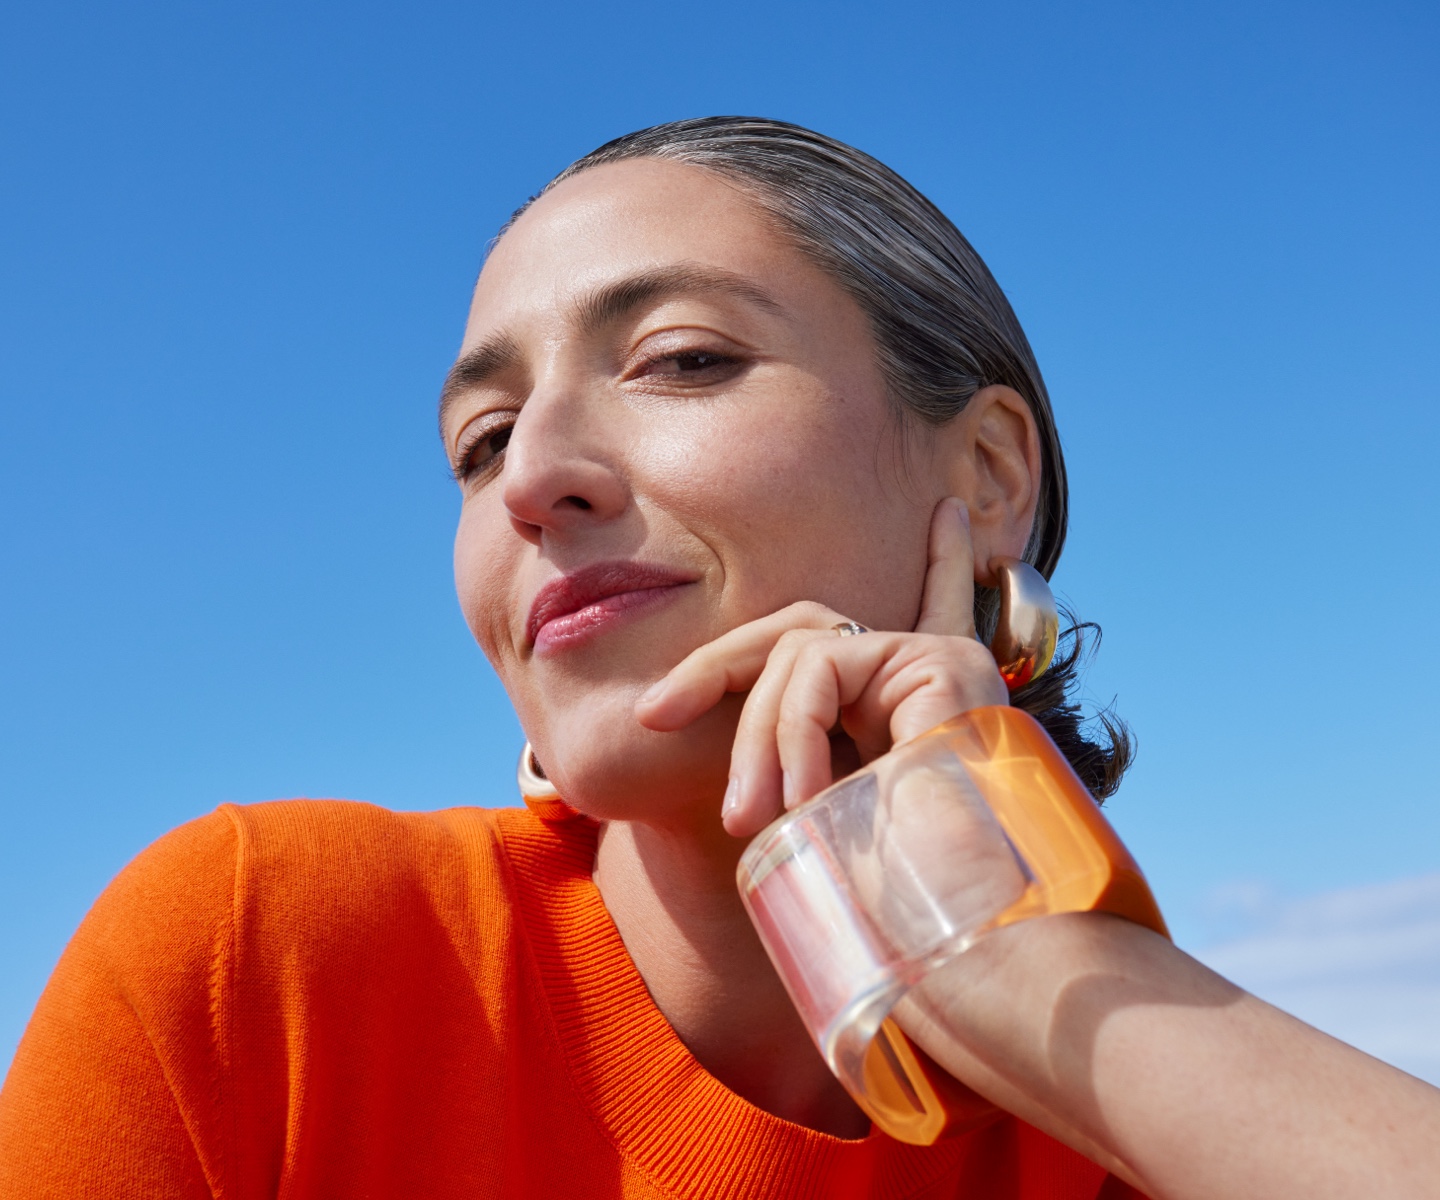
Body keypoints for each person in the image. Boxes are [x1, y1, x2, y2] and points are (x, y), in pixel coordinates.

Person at [1, 117, 1436, 1200]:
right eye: (480, 444)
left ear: (989, 473)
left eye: (682, 360)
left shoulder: (1144, 1119)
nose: (532, 479)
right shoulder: (274, 965)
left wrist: (1020, 977)